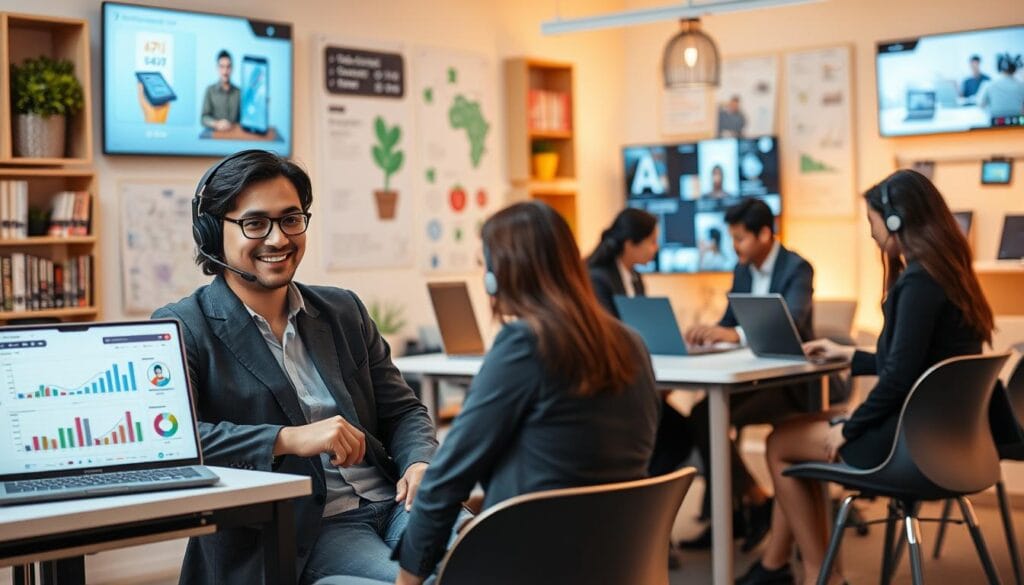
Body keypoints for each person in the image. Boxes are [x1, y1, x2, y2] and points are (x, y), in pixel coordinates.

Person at [153, 150, 437, 585]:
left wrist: (419, 463)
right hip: (310, 525)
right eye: (254, 224)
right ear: (212, 232)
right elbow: (173, 444)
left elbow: (403, 411)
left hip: (397, 502)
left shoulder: (343, 309)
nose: (278, 239)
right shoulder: (181, 326)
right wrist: (286, 439)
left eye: (290, 219)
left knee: (492, 557)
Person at [739, 169, 995, 585]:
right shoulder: (949, 275)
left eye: (872, 222)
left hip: (909, 445)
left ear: (895, 222)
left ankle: (821, 576)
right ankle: (775, 567)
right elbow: (915, 362)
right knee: (794, 441)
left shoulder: (917, 282)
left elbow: (898, 380)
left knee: (779, 443)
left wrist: (850, 429)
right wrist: (849, 355)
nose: (871, 234)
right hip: (950, 441)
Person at [393, 201, 661, 584]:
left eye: (486, 265)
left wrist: (408, 579)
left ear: (498, 276)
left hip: (529, 562)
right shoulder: (632, 343)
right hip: (617, 562)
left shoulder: (525, 344)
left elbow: (449, 477)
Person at [652, 198, 818, 553]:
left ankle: (749, 508)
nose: (734, 246)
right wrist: (709, 332)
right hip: (749, 378)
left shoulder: (797, 269)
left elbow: (793, 321)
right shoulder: (742, 270)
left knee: (708, 416)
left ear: (764, 234)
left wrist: (736, 335)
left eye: (740, 238)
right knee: (703, 416)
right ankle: (750, 503)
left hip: (788, 383)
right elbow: (730, 320)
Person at [586, 208, 659, 318]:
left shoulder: (636, 279)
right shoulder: (598, 280)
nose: (656, 248)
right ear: (629, 244)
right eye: (652, 242)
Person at [201, 50, 241, 131]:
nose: (225, 71)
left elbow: (244, 118)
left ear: (232, 68)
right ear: (217, 68)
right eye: (222, 66)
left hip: (234, 137)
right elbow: (204, 118)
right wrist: (216, 123)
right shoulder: (210, 91)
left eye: (228, 66)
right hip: (216, 137)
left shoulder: (239, 92)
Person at [978, 52, 1024, 118]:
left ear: (999, 67)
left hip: (994, 125)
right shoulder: (1022, 86)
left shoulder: (988, 85)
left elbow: (981, 105)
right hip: (1018, 125)